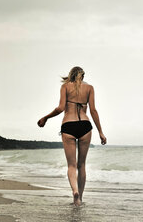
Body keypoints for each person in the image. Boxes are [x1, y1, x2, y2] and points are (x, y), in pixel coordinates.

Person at [37, 66, 107, 206]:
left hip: (68, 126)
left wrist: (45, 117)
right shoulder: (90, 88)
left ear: (71, 75)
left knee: (71, 165)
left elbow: (60, 108)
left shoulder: (65, 87)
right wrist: (100, 132)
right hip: (85, 126)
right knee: (82, 165)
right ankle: (80, 197)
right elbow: (93, 110)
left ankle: (74, 191)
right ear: (83, 76)